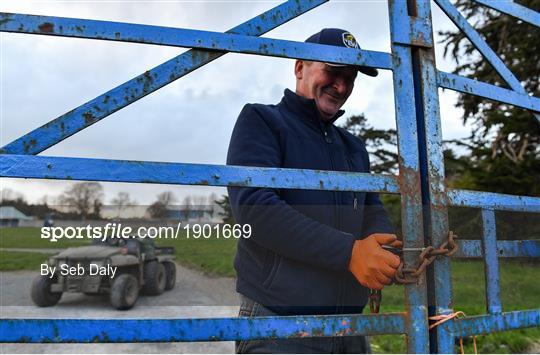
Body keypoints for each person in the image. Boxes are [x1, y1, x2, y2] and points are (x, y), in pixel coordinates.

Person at [226, 28, 402, 354]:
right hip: (279, 325)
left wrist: (380, 242)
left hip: (350, 328)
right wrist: (349, 253)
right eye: (334, 72)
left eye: (350, 78)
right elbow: (254, 208)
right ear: (299, 67)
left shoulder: (354, 147)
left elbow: (371, 207)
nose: (342, 86)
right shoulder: (262, 121)